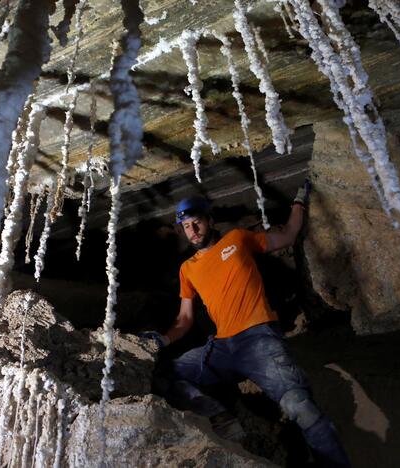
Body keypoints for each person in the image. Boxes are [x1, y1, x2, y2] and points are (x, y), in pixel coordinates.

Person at [142, 183, 352, 467]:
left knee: (300, 408)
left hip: (259, 339)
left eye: (197, 222)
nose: (193, 230)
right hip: (221, 348)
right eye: (186, 226)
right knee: (164, 374)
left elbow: (288, 235)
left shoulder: (237, 240)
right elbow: (185, 319)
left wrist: (298, 203)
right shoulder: (187, 269)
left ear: (209, 220)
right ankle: (220, 416)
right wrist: (163, 340)